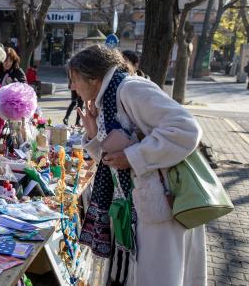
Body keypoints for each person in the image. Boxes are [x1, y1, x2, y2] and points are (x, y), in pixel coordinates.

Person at [71, 45, 205, 286]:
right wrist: (93, 136)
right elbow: (112, 159)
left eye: (74, 79)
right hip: (135, 207)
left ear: (93, 77)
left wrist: (132, 157)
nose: (72, 87)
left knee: (158, 276)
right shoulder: (107, 99)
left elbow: (186, 129)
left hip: (161, 208)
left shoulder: (131, 88)